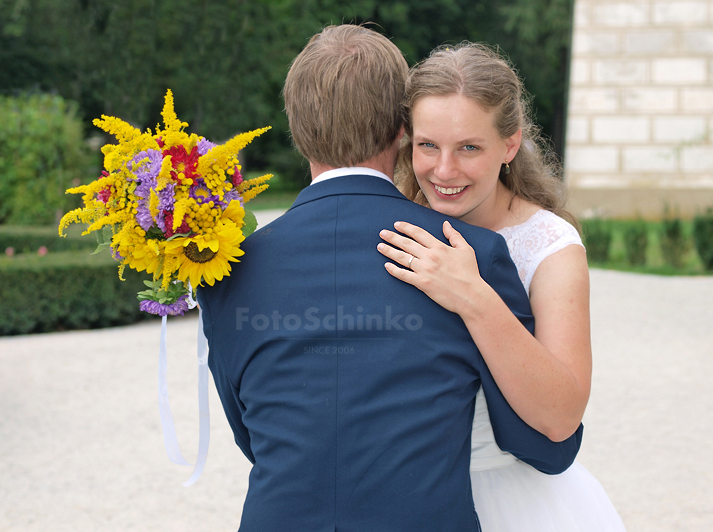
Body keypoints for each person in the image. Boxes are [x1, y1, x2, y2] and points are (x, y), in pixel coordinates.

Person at [198, 26, 582, 531]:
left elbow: (254, 434)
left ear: (295, 128)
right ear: (402, 131)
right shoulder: (470, 254)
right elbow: (544, 445)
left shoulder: (227, 268)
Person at [377, 43, 626, 531]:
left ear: (510, 145)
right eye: (428, 145)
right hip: (406, 496)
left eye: (469, 147)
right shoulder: (391, 226)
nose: (444, 171)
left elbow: (560, 417)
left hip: (517, 500)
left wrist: (473, 296)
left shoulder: (550, 246)